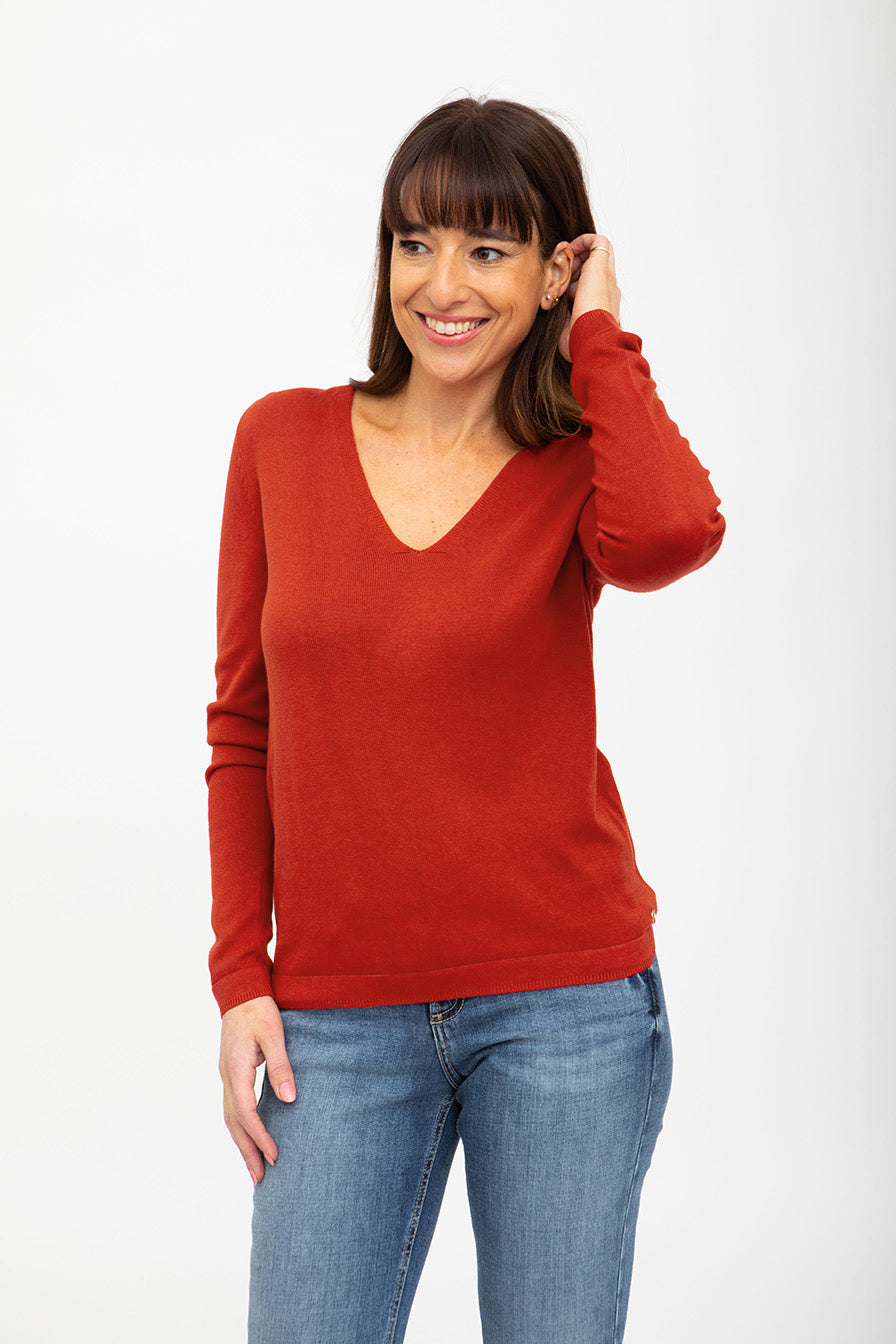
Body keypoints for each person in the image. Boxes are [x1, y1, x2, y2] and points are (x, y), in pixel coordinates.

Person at [206, 95, 726, 1344]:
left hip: (564, 1005)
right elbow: (242, 730)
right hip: (333, 1020)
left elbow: (672, 534)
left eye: (488, 250)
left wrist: (599, 331)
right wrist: (239, 978)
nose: (441, 285)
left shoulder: (578, 464)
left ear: (551, 270)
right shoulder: (280, 440)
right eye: (415, 242)